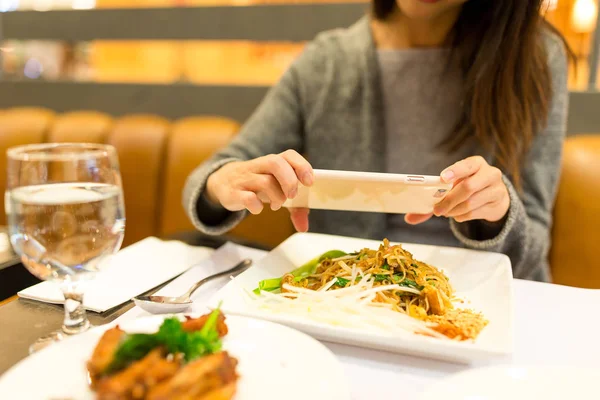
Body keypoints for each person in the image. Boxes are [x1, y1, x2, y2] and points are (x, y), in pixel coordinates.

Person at [183, 0, 571, 282]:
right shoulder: (327, 62)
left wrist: (497, 214)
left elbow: (533, 244)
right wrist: (223, 184)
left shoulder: (535, 58)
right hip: (345, 297)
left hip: (481, 300)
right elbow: (213, 177)